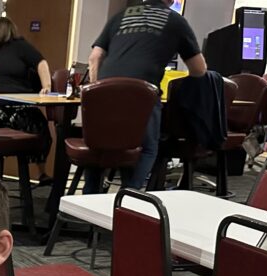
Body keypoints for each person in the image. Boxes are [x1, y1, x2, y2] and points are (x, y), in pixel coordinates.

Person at [89, 0, 207, 191]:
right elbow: (199, 69)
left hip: (105, 92)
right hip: (142, 93)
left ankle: (90, 195)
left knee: (100, 145)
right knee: (147, 148)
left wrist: (96, 88)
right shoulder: (176, 20)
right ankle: (129, 194)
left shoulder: (121, 15)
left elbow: (95, 56)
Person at [0, 17, 52, 177]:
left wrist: (46, 86)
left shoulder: (21, 47)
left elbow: (41, 63)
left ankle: (39, 172)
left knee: (37, 125)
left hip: (21, 106)